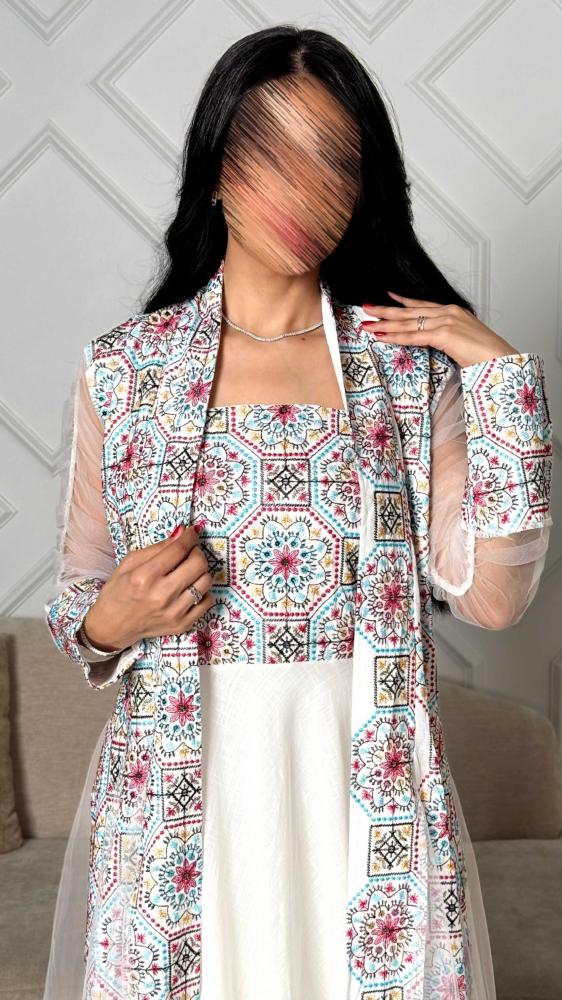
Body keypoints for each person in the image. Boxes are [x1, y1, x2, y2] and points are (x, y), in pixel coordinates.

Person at [42, 25, 552, 1000]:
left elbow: (492, 599)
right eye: (272, 152)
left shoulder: (407, 375)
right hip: (186, 794)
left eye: (335, 162)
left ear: (363, 190)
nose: (303, 189)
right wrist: (111, 619)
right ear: (215, 169)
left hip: (358, 788)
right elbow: (80, 595)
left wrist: (499, 380)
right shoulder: (125, 370)